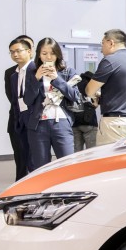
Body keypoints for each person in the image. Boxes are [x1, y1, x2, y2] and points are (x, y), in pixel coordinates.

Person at [22, 38, 81, 172]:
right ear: (38, 54)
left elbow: (75, 96)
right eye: (44, 53)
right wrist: (36, 79)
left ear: (58, 54)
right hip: (38, 124)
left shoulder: (67, 71)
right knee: (41, 167)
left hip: (61, 123)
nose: (48, 57)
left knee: (67, 164)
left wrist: (56, 79)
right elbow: (27, 100)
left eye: (52, 53)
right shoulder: (32, 73)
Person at [85, 29, 126, 145]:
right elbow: (125, 91)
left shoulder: (110, 61)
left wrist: (95, 95)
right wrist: (102, 96)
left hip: (115, 123)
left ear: (111, 43)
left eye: (102, 43)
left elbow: (89, 91)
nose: (101, 49)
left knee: (108, 155)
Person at [4, 36, 34, 180]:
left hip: (34, 119)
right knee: (20, 157)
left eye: (18, 51)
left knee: (34, 159)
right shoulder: (10, 73)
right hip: (17, 119)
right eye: (12, 52)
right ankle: (21, 184)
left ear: (30, 50)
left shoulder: (37, 69)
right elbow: (12, 97)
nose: (15, 54)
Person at [72, 71, 98, 151]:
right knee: (91, 152)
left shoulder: (74, 86)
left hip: (75, 122)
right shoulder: (91, 87)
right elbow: (95, 103)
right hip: (89, 122)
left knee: (76, 152)